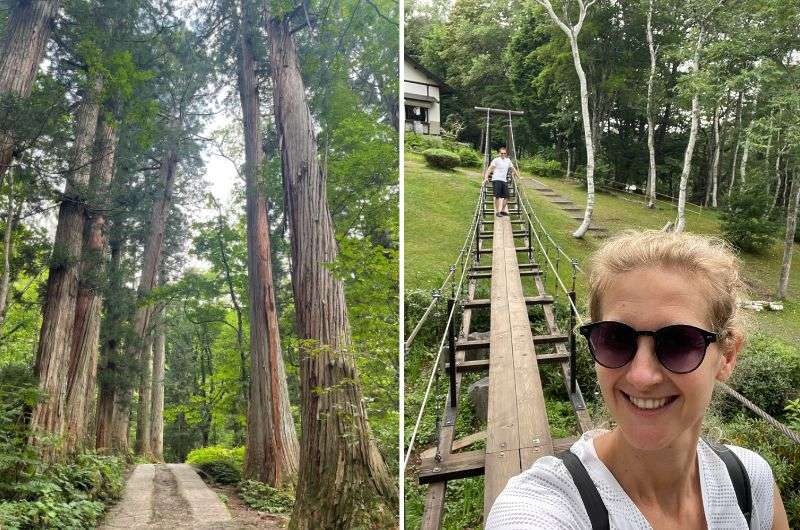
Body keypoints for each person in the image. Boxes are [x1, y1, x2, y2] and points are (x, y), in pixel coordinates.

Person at [486, 230, 790, 529]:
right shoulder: (541, 507)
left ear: (727, 357)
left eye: (679, 343)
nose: (642, 376)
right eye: (615, 339)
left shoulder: (751, 482)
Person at [485, 147, 518, 217]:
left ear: (506, 154)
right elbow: (490, 169)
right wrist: (486, 177)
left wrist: (518, 176)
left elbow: (513, 168)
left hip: (504, 180)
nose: (503, 154)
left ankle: (502, 210)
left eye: (504, 153)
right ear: (499, 153)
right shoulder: (496, 160)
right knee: (497, 197)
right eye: (501, 153)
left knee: (507, 196)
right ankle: (497, 212)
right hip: (496, 179)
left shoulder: (508, 160)